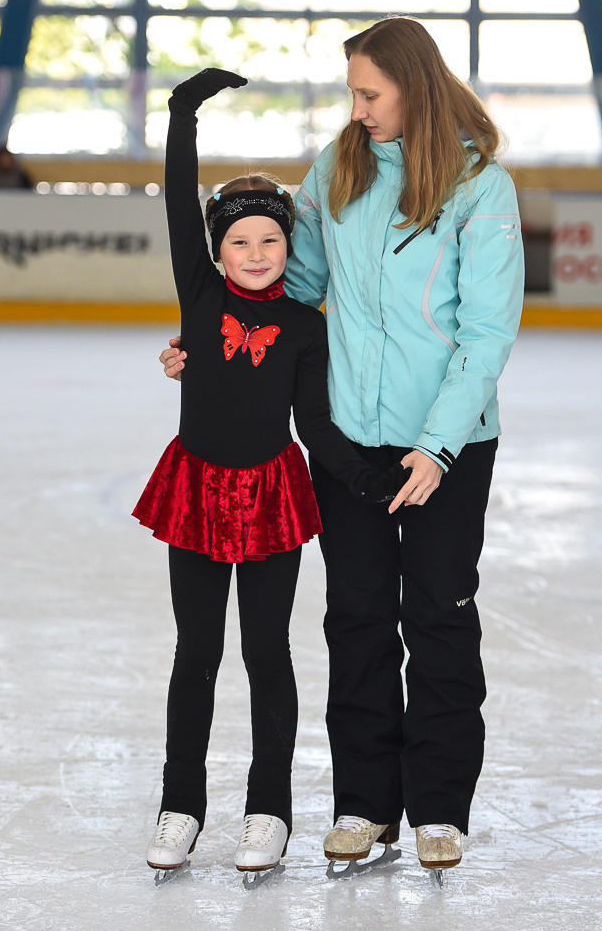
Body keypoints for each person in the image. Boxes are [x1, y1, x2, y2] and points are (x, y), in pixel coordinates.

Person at [160, 17, 524, 878]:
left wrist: (436, 449)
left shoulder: (481, 189)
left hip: (449, 444)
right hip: (347, 441)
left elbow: (486, 332)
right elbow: (299, 283)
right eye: (352, 94)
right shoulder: (338, 170)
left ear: (415, 87)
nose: (356, 109)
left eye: (370, 93)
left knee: (436, 614)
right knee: (356, 618)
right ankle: (364, 801)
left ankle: (437, 805)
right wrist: (213, 339)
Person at [134, 67, 408, 884]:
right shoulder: (197, 293)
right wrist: (183, 113)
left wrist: (366, 480)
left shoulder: (301, 324)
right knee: (196, 650)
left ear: (289, 248)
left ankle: (269, 810)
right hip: (196, 490)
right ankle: (180, 804)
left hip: (267, 497)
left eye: (270, 240)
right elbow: (178, 200)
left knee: (266, 652)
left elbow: (315, 425)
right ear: (215, 250)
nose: (255, 254)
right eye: (238, 241)